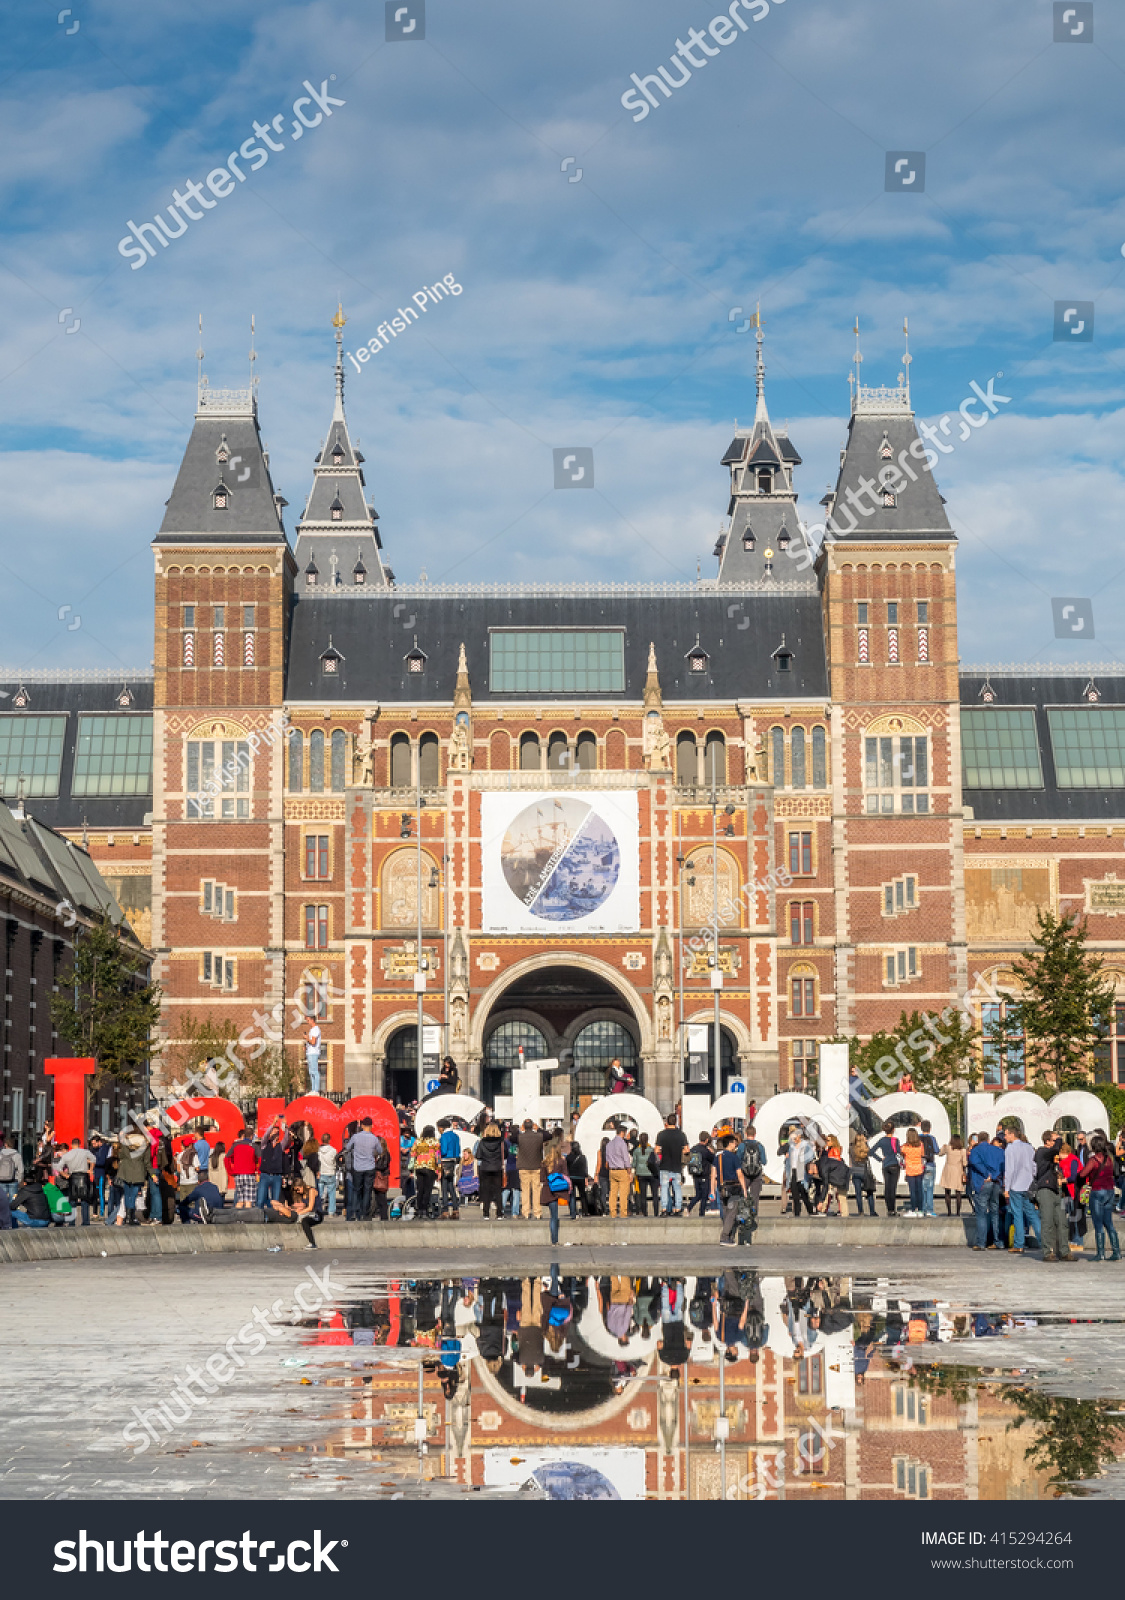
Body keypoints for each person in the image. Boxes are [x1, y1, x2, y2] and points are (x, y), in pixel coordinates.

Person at [1032, 1130, 1073, 1263]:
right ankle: (1048, 1251)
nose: (1058, 1143)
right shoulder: (1042, 1152)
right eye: (1054, 1140)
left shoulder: (1052, 1157)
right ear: (1048, 1141)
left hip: (1057, 1191)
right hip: (1045, 1191)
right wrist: (1059, 1138)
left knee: (1062, 1222)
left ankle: (1064, 1251)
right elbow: (1056, 1149)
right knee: (1048, 1222)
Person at [1081, 1133, 1121, 1261]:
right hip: (1110, 1191)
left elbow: (1083, 1174)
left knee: (1098, 1223)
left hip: (1097, 1191)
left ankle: (1101, 1253)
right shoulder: (1108, 1158)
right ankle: (1116, 1251)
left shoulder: (1094, 1160)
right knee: (1109, 1223)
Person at [1003, 1127, 1040, 1253]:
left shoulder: (1010, 1149)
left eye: (1006, 1134)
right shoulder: (1029, 1147)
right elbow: (1034, 1165)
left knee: (1017, 1215)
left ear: (1012, 1135)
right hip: (1028, 1185)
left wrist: (1006, 1188)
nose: (1005, 1137)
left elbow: (1010, 1169)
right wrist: (1033, 1178)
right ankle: (1043, 1241)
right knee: (1033, 1215)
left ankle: (1019, 1244)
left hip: (1016, 1186)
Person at [968, 1130, 1005, 1249]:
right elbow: (1003, 1165)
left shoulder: (975, 1150)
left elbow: (974, 1162)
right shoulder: (999, 1151)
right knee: (995, 1211)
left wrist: (986, 1174)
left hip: (982, 1183)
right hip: (996, 1183)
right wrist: (996, 1177)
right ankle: (997, 1241)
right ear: (989, 1140)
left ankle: (981, 1242)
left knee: (982, 1213)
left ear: (978, 1140)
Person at [346, 1117, 385, 1221]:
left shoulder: (355, 1137)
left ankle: (354, 1212)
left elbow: (348, 1148)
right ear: (371, 1126)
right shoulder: (374, 1138)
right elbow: (380, 1150)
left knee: (356, 1190)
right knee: (367, 1191)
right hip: (370, 1167)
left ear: (362, 1126)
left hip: (358, 1167)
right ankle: (365, 1214)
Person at [712, 1132, 746, 1247]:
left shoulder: (718, 1157)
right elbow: (739, 1174)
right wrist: (744, 1189)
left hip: (721, 1188)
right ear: (730, 1144)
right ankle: (725, 1237)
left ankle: (730, 1237)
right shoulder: (734, 1157)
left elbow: (713, 1174)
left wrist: (712, 1190)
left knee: (726, 1212)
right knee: (732, 1213)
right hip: (733, 1188)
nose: (735, 1144)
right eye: (734, 1142)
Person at [656, 1113, 689, 1216]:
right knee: (677, 1188)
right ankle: (678, 1209)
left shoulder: (661, 1134)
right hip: (677, 1166)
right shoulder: (681, 1134)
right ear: (676, 1122)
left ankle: (665, 1209)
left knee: (664, 1188)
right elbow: (686, 1150)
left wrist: (663, 1151)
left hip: (665, 1165)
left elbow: (657, 1150)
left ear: (666, 1123)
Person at [115, 1133, 151, 1224]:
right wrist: (152, 1174)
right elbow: (147, 1162)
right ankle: (131, 1217)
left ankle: (128, 1216)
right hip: (138, 1173)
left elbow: (120, 1156)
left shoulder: (125, 1147)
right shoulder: (144, 1147)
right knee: (134, 1195)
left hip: (126, 1172)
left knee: (127, 1194)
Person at [868, 1122, 902, 1216]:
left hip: (886, 1165)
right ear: (894, 1129)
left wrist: (880, 1159)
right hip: (895, 1164)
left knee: (887, 1187)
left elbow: (870, 1152)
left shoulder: (882, 1140)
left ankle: (889, 1209)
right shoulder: (895, 1140)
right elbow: (898, 1152)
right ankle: (893, 1209)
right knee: (893, 1188)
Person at [540, 1140, 569, 1246]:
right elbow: (565, 1174)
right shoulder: (561, 1161)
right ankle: (554, 1239)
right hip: (559, 1189)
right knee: (555, 1216)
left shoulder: (545, 1162)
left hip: (548, 1190)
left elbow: (542, 1178)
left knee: (552, 1215)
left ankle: (553, 1240)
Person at [60, 1137, 94, 1227]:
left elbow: (59, 1166)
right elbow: (94, 1159)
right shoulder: (84, 1152)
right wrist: (90, 1169)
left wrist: (65, 1175)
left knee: (72, 1201)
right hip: (83, 1176)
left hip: (73, 1177)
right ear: (79, 1144)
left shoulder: (68, 1154)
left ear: (71, 1145)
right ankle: (86, 1221)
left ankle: (71, 1222)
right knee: (84, 1200)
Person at [784, 1124, 816, 1217]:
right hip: (793, 1171)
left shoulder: (805, 1145)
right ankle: (797, 1213)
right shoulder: (791, 1147)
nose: (793, 1139)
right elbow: (788, 1161)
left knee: (803, 1192)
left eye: (795, 1137)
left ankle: (810, 1209)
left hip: (802, 1172)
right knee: (795, 1194)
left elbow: (811, 1156)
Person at [517, 1119, 545, 1220]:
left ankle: (526, 1212)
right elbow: (549, 1135)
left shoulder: (520, 1137)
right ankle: (537, 1212)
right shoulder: (539, 1136)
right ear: (533, 1125)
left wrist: (520, 1130)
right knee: (537, 1190)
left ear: (524, 1126)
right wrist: (539, 1129)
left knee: (525, 1190)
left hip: (524, 1166)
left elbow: (511, 1137)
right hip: (536, 1166)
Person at [475, 1122, 505, 1218]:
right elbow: (506, 1155)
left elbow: (478, 1156)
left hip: (485, 1168)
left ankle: (486, 1213)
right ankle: (499, 1213)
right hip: (497, 1167)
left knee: (486, 1192)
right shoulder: (501, 1142)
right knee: (498, 1191)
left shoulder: (482, 1142)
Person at [604, 1123, 633, 1217]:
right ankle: (623, 1213)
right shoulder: (622, 1143)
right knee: (624, 1193)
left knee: (613, 1192)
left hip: (612, 1170)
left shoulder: (609, 1144)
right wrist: (629, 1172)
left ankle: (613, 1213)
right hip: (622, 1170)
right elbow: (626, 1159)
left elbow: (607, 1159)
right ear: (622, 1133)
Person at [816, 1138, 850, 1217]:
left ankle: (823, 1210)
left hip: (834, 1174)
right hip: (835, 1174)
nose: (827, 1142)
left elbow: (835, 1161)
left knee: (829, 1192)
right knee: (837, 1195)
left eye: (829, 1140)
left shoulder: (834, 1150)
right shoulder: (829, 1150)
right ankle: (842, 1213)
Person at [412, 1124, 440, 1219]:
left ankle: (419, 1210)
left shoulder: (418, 1141)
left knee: (420, 1190)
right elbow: (438, 1157)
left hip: (419, 1167)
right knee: (427, 1190)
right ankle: (425, 1210)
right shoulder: (435, 1142)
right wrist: (439, 1170)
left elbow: (413, 1154)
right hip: (430, 1167)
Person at [226, 1127, 258, 1208]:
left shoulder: (236, 1145)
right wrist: (258, 1171)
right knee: (248, 1201)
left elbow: (226, 1158)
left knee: (240, 1200)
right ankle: (247, 1218)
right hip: (250, 1174)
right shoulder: (254, 1146)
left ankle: (236, 1218)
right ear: (251, 1136)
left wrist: (230, 1171)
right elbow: (260, 1159)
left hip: (238, 1175)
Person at [436, 1119, 461, 1220]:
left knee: (444, 1186)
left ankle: (445, 1210)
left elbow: (444, 1150)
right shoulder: (455, 1136)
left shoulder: (444, 1136)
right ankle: (455, 1209)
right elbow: (458, 1150)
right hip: (453, 1162)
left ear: (441, 1127)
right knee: (451, 1186)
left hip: (445, 1162)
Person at [256, 1126, 285, 1211]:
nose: (274, 1133)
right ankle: (259, 1216)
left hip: (277, 1175)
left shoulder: (281, 1145)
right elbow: (265, 1135)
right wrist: (272, 1124)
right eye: (273, 1132)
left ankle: (273, 1216)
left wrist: (285, 1125)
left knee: (275, 1201)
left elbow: (286, 1138)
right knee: (260, 1199)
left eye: (276, 1133)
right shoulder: (264, 1144)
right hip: (265, 1174)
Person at [937, 1135, 967, 1215]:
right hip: (958, 1171)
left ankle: (949, 1212)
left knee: (947, 1192)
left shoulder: (948, 1148)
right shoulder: (963, 1151)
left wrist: (943, 1147)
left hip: (948, 1170)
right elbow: (965, 1163)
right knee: (958, 1193)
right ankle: (958, 1212)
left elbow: (939, 1153)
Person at [686, 1132, 714, 1215]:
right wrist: (712, 1152)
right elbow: (713, 1159)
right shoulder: (705, 1150)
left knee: (698, 1194)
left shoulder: (693, 1149)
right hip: (704, 1174)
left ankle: (689, 1208)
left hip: (695, 1174)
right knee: (704, 1196)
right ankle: (701, 1213)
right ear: (706, 1140)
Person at [900, 1128, 926, 1217]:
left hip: (910, 1170)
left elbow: (900, 1152)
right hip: (919, 1169)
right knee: (919, 1190)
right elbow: (923, 1155)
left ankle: (913, 1209)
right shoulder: (921, 1145)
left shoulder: (905, 1147)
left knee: (913, 1191)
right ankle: (921, 1210)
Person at [850, 1132, 876, 1217]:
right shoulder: (866, 1148)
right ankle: (872, 1211)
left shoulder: (851, 1148)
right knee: (869, 1191)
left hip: (855, 1171)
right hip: (864, 1172)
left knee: (858, 1193)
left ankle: (860, 1211)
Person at [632, 1132, 658, 1216]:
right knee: (655, 1194)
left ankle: (644, 1213)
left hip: (641, 1174)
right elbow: (656, 1162)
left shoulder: (636, 1151)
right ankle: (656, 1212)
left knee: (643, 1195)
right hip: (652, 1174)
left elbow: (634, 1164)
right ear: (647, 1140)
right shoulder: (652, 1150)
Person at [919, 1120, 939, 1217]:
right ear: (930, 1128)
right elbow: (936, 1150)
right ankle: (930, 1210)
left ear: (921, 1128)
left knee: (922, 1188)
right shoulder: (932, 1138)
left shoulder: (917, 1138)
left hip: (920, 1165)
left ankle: (922, 1209)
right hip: (931, 1164)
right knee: (930, 1188)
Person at [315, 1132, 338, 1215]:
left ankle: (318, 1210)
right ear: (329, 1140)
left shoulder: (318, 1151)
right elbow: (335, 1162)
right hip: (330, 1173)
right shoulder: (333, 1150)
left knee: (319, 1193)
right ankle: (331, 1211)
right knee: (331, 1193)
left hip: (321, 1173)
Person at [565, 1138, 588, 1217]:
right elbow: (585, 1168)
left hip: (571, 1177)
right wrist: (586, 1178)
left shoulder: (568, 1157)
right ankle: (585, 1211)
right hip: (581, 1178)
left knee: (572, 1195)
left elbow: (566, 1168)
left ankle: (573, 1211)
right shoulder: (582, 1157)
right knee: (583, 1195)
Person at [0, 1135, 23, 1202]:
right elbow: (21, 1170)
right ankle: (12, 1212)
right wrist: (18, 1180)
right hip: (13, 1180)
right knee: (13, 1201)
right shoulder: (17, 1155)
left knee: (2, 1200)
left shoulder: (0, 1154)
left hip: (1, 1180)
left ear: (5, 1144)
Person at [305, 1019, 322, 1094]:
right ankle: (313, 1089)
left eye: (308, 1020)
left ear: (312, 1020)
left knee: (314, 1071)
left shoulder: (315, 1029)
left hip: (313, 1053)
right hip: (310, 1052)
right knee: (311, 1072)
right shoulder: (312, 1030)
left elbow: (313, 1042)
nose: (307, 1022)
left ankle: (316, 1090)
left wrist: (307, 1038)